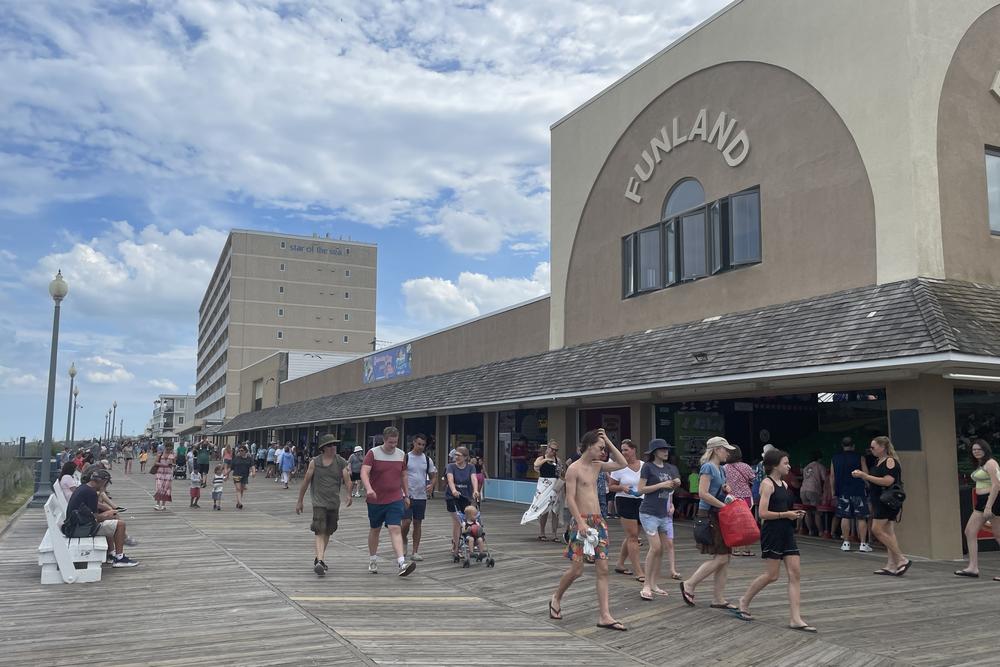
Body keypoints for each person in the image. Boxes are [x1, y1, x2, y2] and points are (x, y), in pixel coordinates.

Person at [549, 429, 629, 632]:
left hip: (598, 522)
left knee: (603, 569)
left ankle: (605, 615)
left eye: (604, 449)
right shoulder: (573, 469)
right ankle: (556, 597)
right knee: (577, 570)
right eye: (600, 447)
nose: (603, 452)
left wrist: (608, 440)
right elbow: (570, 498)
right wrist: (580, 523)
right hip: (580, 522)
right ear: (588, 445)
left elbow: (622, 464)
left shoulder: (597, 466)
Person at [734, 448, 814, 632]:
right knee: (772, 575)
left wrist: (794, 514)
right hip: (773, 532)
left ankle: (796, 618)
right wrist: (786, 514)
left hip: (787, 531)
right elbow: (762, 514)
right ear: (775, 466)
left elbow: (784, 509)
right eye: (785, 463)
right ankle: (744, 600)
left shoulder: (785, 486)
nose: (789, 466)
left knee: (795, 574)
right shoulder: (767, 484)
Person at [679, 436, 738, 610]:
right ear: (717, 450)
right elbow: (702, 493)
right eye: (725, 449)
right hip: (710, 515)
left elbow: (715, 490)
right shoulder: (708, 467)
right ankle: (689, 584)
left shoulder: (721, 469)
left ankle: (718, 598)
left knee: (725, 557)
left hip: (718, 514)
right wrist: (724, 505)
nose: (727, 453)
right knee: (721, 556)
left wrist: (725, 490)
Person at [361, 426, 416, 576]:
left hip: (395, 497)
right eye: (390, 442)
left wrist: (406, 494)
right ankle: (373, 559)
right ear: (384, 440)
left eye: (396, 442)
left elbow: (404, 475)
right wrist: (369, 488)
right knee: (375, 529)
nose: (393, 445)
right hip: (376, 499)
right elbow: (364, 472)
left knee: (395, 528)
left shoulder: (401, 454)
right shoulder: (373, 453)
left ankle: (401, 563)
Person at [852, 436, 910, 576]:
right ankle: (891, 565)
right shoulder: (879, 461)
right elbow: (876, 481)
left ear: (882, 447)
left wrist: (865, 476)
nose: (871, 450)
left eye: (873, 447)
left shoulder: (890, 461)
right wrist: (863, 477)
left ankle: (901, 559)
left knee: (877, 530)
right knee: (889, 532)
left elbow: (888, 481)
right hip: (879, 499)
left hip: (886, 501)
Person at [296, 434, 353, 576]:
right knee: (320, 530)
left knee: (328, 531)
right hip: (319, 502)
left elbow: (347, 479)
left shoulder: (340, 461)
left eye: (334, 445)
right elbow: (306, 482)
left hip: (334, 503)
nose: (333, 447)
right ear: (323, 448)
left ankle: (319, 559)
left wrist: (349, 494)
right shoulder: (315, 462)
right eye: (330, 445)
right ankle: (320, 560)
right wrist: (300, 500)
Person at [65, 469, 138, 567]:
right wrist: (108, 513)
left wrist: (108, 510)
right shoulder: (91, 493)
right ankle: (119, 558)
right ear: (102, 482)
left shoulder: (84, 488)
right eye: (106, 483)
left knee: (111, 521)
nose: (106, 486)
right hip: (80, 529)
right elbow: (95, 518)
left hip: (73, 525)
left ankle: (111, 553)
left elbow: (92, 508)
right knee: (120, 524)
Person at [637, 438, 682, 601]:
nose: (666, 451)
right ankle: (646, 585)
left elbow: (675, 484)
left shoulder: (672, 468)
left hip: (664, 512)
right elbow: (640, 489)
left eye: (667, 449)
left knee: (662, 549)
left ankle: (654, 584)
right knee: (655, 547)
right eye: (662, 449)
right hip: (649, 511)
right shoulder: (648, 467)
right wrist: (661, 485)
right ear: (655, 452)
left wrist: (676, 483)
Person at [955, 439, 1000, 578]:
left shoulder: (991, 463)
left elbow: (997, 485)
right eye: (974, 450)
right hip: (981, 502)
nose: (976, 452)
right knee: (970, 531)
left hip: (992, 501)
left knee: (998, 535)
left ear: (985, 449)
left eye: (979, 449)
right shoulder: (980, 464)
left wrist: (989, 506)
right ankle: (973, 567)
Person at [609, 439, 645, 582]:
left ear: (634, 450)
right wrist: (622, 488)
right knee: (633, 536)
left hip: (642, 501)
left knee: (633, 535)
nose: (623, 452)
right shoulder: (619, 467)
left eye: (626, 450)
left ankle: (620, 564)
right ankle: (639, 571)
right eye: (622, 450)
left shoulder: (644, 465)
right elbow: (611, 486)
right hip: (624, 500)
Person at [830, 437, 871, 551]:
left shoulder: (835, 458)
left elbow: (832, 476)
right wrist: (868, 485)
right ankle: (863, 544)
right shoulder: (860, 457)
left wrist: (833, 491)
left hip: (842, 490)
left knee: (845, 516)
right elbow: (865, 473)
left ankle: (846, 543)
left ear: (842, 446)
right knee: (861, 517)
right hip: (858, 490)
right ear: (853, 446)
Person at [401, 434, 436, 561]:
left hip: (421, 496)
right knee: (406, 522)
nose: (421, 447)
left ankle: (415, 551)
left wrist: (432, 485)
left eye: (423, 445)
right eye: (419, 444)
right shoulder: (406, 458)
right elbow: (399, 475)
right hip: (406, 495)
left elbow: (433, 475)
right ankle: (403, 540)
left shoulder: (427, 460)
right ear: (414, 443)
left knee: (417, 523)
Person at [446, 446, 480, 561]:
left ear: (465, 457)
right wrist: (454, 490)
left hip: (465, 497)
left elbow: (474, 479)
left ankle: (467, 542)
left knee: (468, 521)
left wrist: (475, 490)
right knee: (458, 522)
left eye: (459, 455)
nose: (456, 457)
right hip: (453, 497)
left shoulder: (471, 467)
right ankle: (456, 548)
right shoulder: (450, 466)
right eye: (455, 455)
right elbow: (450, 480)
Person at [724, 446, 756, 556]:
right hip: (746, 498)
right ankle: (747, 549)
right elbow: (753, 479)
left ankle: (735, 549)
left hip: (731, 498)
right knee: (747, 524)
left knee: (734, 523)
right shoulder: (746, 466)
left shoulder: (725, 468)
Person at [532, 441, 562, 541]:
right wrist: (546, 460)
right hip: (544, 486)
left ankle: (554, 534)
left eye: (556, 450)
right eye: (552, 449)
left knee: (555, 511)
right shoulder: (541, 458)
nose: (553, 451)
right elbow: (536, 465)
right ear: (548, 448)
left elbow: (560, 472)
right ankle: (542, 532)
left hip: (555, 486)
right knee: (544, 510)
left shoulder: (558, 460)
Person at [800, 450, 827, 537]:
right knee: (817, 512)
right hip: (814, 490)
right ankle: (820, 532)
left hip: (803, 490)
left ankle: (811, 531)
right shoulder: (820, 466)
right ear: (819, 458)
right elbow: (825, 479)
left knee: (807, 512)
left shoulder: (806, 467)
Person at [227, 445, 255, 509]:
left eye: (242, 450)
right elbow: (231, 467)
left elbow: (252, 466)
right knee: (238, 489)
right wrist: (226, 474)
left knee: (241, 490)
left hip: (245, 476)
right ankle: (240, 503)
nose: (240, 452)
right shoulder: (236, 458)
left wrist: (254, 472)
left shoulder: (249, 458)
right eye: (239, 451)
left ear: (245, 451)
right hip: (236, 475)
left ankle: (238, 502)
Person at [152, 443, 176, 511]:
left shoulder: (172, 455)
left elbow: (174, 464)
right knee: (159, 488)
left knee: (166, 489)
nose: (168, 450)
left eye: (170, 449)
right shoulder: (160, 454)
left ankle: (163, 505)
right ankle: (157, 504)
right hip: (160, 473)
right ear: (165, 447)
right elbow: (155, 463)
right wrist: (163, 464)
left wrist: (172, 464)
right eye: (167, 448)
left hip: (168, 474)